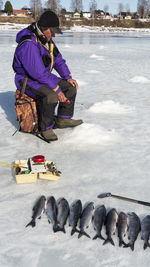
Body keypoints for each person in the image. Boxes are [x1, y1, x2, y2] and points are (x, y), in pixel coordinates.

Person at [13, 10, 83, 142]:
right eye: (53, 31)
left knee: (70, 87)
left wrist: (67, 76)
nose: (54, 35)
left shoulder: (46, 40)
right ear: (44, 28)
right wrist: (56, 89)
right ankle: (46, 128)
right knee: (51, 95)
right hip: (27, 79)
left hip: (43, 76)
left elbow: (58, 60)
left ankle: (63, 119)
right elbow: (37, 73)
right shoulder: (29, 44)